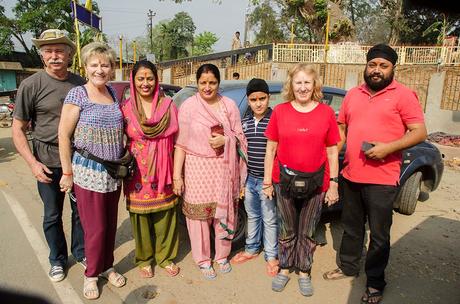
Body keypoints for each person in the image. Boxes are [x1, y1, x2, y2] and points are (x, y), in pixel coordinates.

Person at [323, 44, 427, 304]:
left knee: (379, 235)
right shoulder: (352, 94)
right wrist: (331, 153)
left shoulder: (403, 95)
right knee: (351, 228)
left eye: (383, 66)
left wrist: (388, 148)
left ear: (393, 68)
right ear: (366, 66)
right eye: (373, 65)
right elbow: (342, 128)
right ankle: (348, 266)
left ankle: (375, 283)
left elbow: (419, 132)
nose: (377, 70)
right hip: (351, 175)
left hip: (382, 179)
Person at [12, 29, 85, 282]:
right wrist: (32, 164)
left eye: (59, 51)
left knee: (80, 212)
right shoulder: (31, 85)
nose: (54, 56)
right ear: (42, 55)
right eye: (49, 51)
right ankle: (57, 259)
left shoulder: (81, 84)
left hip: (78, 161)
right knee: (52, 214)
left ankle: (81, 251)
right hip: (46, 162)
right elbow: (18, 129)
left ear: (69, 54)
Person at [264, 64, 340, 296]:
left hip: (316, 183)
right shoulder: (280, 111)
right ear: (291, 85)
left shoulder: (326, 113)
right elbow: (271, 149)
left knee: (308, 229)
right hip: (284, 181)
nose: (303, 87)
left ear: (315, 85)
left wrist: (334, 183)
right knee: (287, 228)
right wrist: (267, 181)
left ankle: (304, 270)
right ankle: (285, 268)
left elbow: (332, 152)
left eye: (308, 82)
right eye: (298, 82)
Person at [58, 42, 126, 300]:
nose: (100, 69)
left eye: (105, 65)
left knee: (110, 224)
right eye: (95, 64)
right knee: (94, 227)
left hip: (112, 172)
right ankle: (91, 274)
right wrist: (67, 172)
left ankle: (107, 266)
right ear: (85, 67)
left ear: (111, 69)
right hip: (88, 172)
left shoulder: (111, 92)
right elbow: (63, 135)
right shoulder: (78, 95)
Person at [173, 63, 247, 280]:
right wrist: (177, 176)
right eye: (203, 83)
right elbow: (181, 144)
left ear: (218, 83)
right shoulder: (188, 106)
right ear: (197, 83)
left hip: (223, 168)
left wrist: (227, 139)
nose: (207, 87)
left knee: (223, 213)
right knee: (198, 217)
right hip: (196, 167)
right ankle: (203, 259)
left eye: (212, 82)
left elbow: (241, 138)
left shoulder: (229, 106)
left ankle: (222, 254)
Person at [121, 60, 180, 279]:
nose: (145, 83)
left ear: (156, 80)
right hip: (137, 170)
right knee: (140, 217)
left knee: (165, 214)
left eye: (150, 78)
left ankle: (165, 257)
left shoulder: (169, 106)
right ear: (133, 80)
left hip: (164, 168)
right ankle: (145, 258)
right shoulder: (125, 107)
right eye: (140, 78)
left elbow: (178, 139)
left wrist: (177, 173)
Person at [231, 78, 279, 277]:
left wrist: (272, 181)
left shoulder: (276, 119)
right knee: (253, 215)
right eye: (253, 99)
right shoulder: (245, 122)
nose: (258, 103)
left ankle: (271, 255)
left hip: (269, 182)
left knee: (270, 219)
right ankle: (251, 249)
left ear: (268, 98)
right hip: (250, 179)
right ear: (248, 101)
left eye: (262, 98)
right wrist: (242, 182)